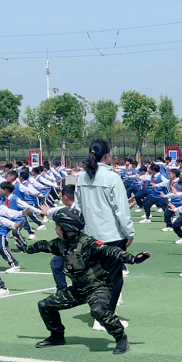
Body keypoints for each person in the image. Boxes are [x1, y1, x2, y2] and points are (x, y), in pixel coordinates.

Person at [24, 209, 151, 354]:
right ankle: (57, 336)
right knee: (45, 305)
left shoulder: (88, 244)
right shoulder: (61, 244)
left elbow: (110, 251)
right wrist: (26, 248)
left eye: (59, 227)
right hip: (78, 289)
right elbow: (43, 245)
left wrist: (133, 259)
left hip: (98, 288)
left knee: (98, 311)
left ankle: (121, 338)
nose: (57, 230)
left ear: (68, 229)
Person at [75, 139, 135, 326]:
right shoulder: (112, 177)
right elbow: (121, 210)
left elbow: (77, 208)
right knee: (113, 279)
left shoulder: (82, 177)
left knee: (97, 279)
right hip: (111, 236)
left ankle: (98, 314)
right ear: (108, 154)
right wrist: (129, 233)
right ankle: (105, 317)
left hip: (89, 237)